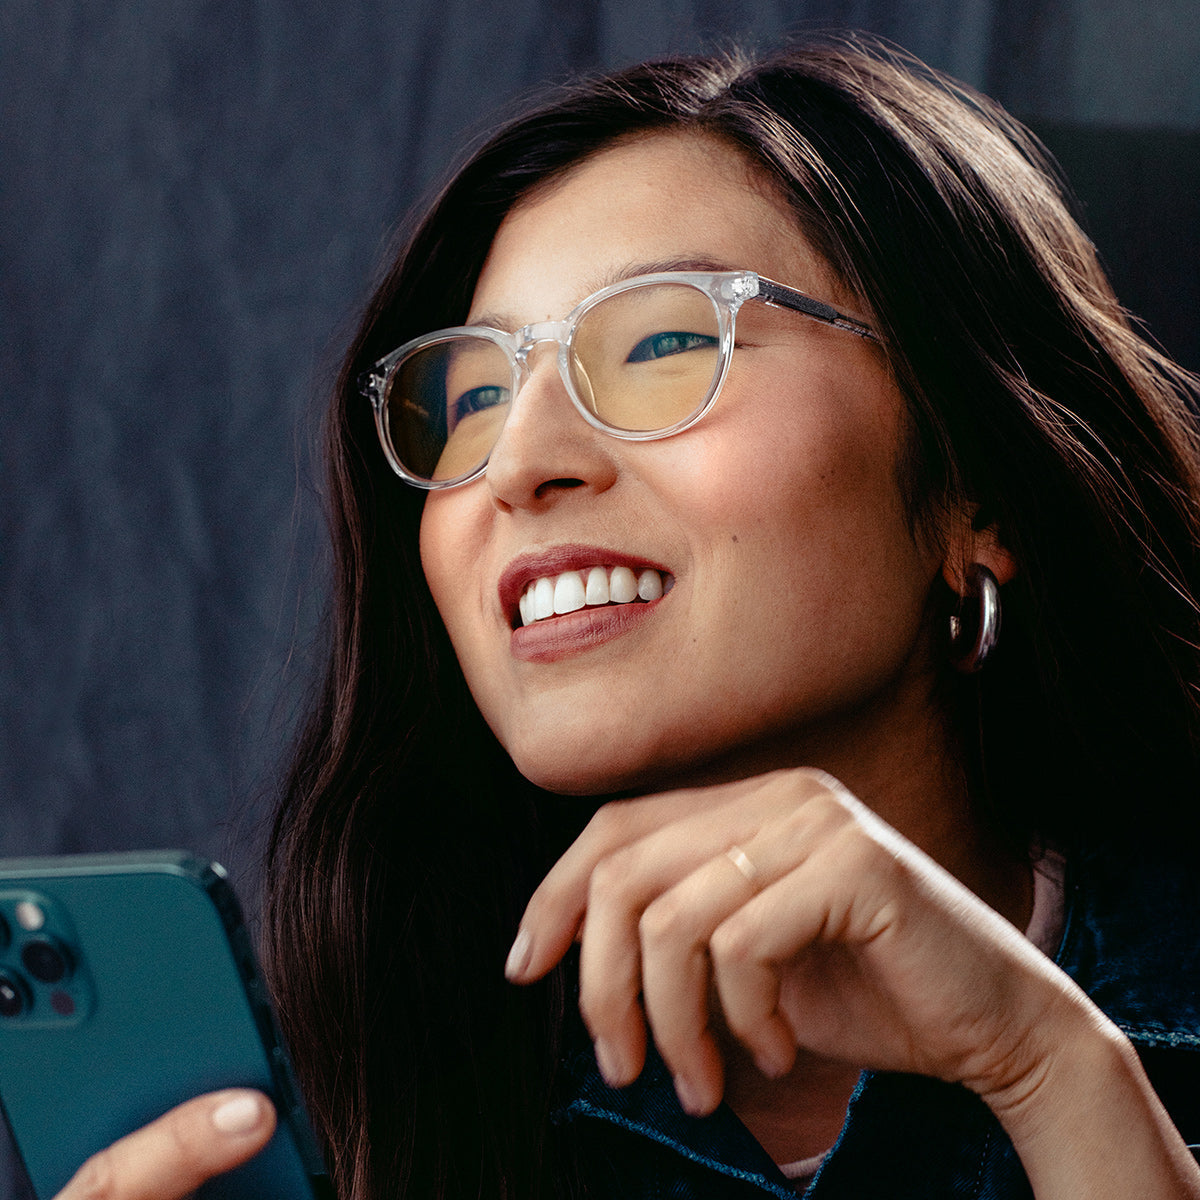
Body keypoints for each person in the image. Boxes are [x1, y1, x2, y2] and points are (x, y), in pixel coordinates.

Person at [52, 33, 1200, 1200]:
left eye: (663, 344)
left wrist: (1051, 1069)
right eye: (474, 397)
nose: (516, 464)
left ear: (975, 489)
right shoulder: (340, 1126)